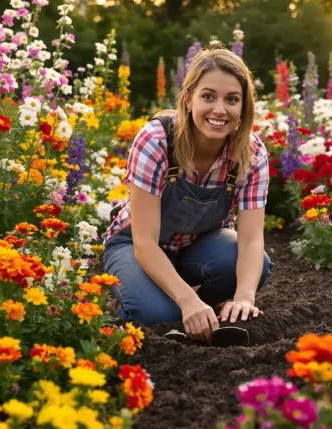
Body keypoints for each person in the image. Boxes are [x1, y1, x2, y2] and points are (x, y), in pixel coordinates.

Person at [102, 45, 272, 343]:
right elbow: (143, 243)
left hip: (197, 247)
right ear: (188, 99)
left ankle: (202, 309)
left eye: (232, 100)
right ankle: (146, 301)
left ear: (244, 107)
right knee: (154, 313)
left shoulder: (252, 153)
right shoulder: (156, 141)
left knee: (257, 266)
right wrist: (187, 301)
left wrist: (244, 298)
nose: (220, 110)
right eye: (208, 96)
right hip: (136, 246)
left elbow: (251, 240)